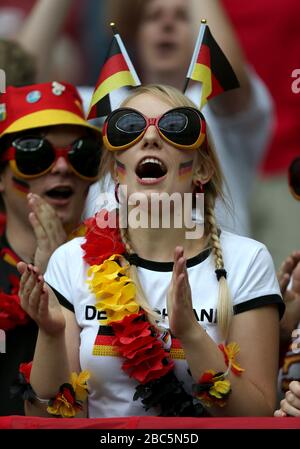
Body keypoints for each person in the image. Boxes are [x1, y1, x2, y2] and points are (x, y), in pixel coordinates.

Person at [18, 85, 283, 418]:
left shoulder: (247, 260)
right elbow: (48, 422)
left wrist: (191, 334)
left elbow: (256, 417)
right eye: (129, 128)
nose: (151, 137)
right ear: (117, 170)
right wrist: (52, 333)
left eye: (176, 128)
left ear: (202, 169)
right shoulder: (72, 261)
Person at [83, 0, 274, 237]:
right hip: (104, 271)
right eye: (153, 17)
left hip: (218, 270)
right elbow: (24, 77)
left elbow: (225, 70)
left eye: (182, 16)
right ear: (134, 32)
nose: (167, 24)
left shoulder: (214, 108)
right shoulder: (100, 101)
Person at [0, 81, 101, 416]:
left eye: (81, 155)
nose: (61, 168)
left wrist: (62, 272)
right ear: (2, 175)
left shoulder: (121, 266)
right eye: (35, 154)